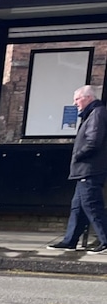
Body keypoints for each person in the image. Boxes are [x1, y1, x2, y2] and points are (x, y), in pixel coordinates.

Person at [49, 84, 107, 252]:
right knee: (78, 206)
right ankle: (70, 240)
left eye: (77, 99)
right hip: (85, 169)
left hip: (90, 169)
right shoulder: (92, 114)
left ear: (88, 98)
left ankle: (105, 240)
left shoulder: (97, 113)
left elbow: (93, 142)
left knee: (92, 205)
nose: (75, 103)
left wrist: (77, 155)